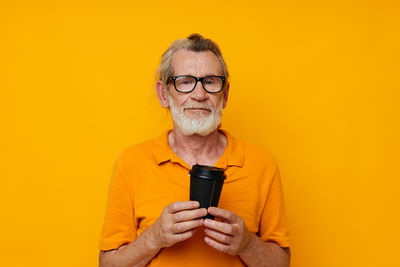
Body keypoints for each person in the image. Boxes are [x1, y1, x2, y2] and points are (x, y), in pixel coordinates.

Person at [99, 33, 291, 267]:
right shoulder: (131, 163)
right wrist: (154, 237)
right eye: (185, 82)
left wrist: (248, 245)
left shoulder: (262, 164)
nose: (199, 95)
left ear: (225, 94)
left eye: (210, 82)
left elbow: (281, 264)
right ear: (164, 94)